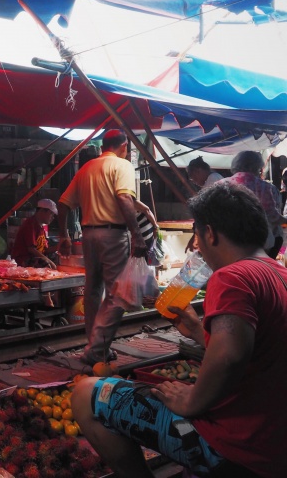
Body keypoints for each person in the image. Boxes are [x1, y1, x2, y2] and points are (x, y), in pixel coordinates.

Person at [71, 182, 287, 478]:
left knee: (86, 393)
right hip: (274, 444)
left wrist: (191, 400)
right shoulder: (278, 274)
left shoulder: (232, 276)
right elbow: (256, 353)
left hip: (235, 447)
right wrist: (199, 333)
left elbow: (230, 357)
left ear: (209, 233)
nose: (197, 246)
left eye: (197, 236)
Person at [57, 129, 147, 365]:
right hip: (112, 235)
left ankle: (95, 345)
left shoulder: (86, 168)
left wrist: (64, 235)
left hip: (88, 235)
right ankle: (97, 349)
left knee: (93, 291)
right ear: (124, 146)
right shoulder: (122, 166)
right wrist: (137, 234)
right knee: (118, 293)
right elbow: (124, 198)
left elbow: (63, 204)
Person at [217, 150, 285, 259]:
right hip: (256, 246)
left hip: (227, 243)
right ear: (257, 167)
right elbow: (273, 218)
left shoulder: (220, 185)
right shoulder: (264, 187)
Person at [10, 199, 58, 269]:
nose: (52, 217)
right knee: (45, 263)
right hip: (22, 260)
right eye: (51, 214)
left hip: (34, 257)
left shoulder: (41, 227)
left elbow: (45, 250)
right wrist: (49, 262)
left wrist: (58, 247)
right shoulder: (30, 224)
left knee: (55, 257)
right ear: (42, 211)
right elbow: (31, 249)